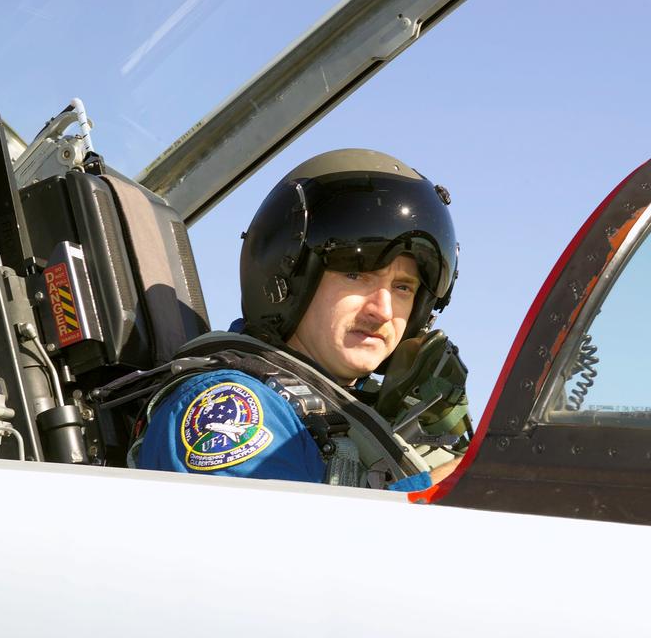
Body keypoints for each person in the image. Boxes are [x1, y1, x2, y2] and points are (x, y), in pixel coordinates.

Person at [134, 148, 470, 492]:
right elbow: (274, 527)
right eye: (356, 275)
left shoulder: (363, 415)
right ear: (290, 279)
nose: (382, 311)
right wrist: (462, 482)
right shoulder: (230, 405)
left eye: (402, 287)